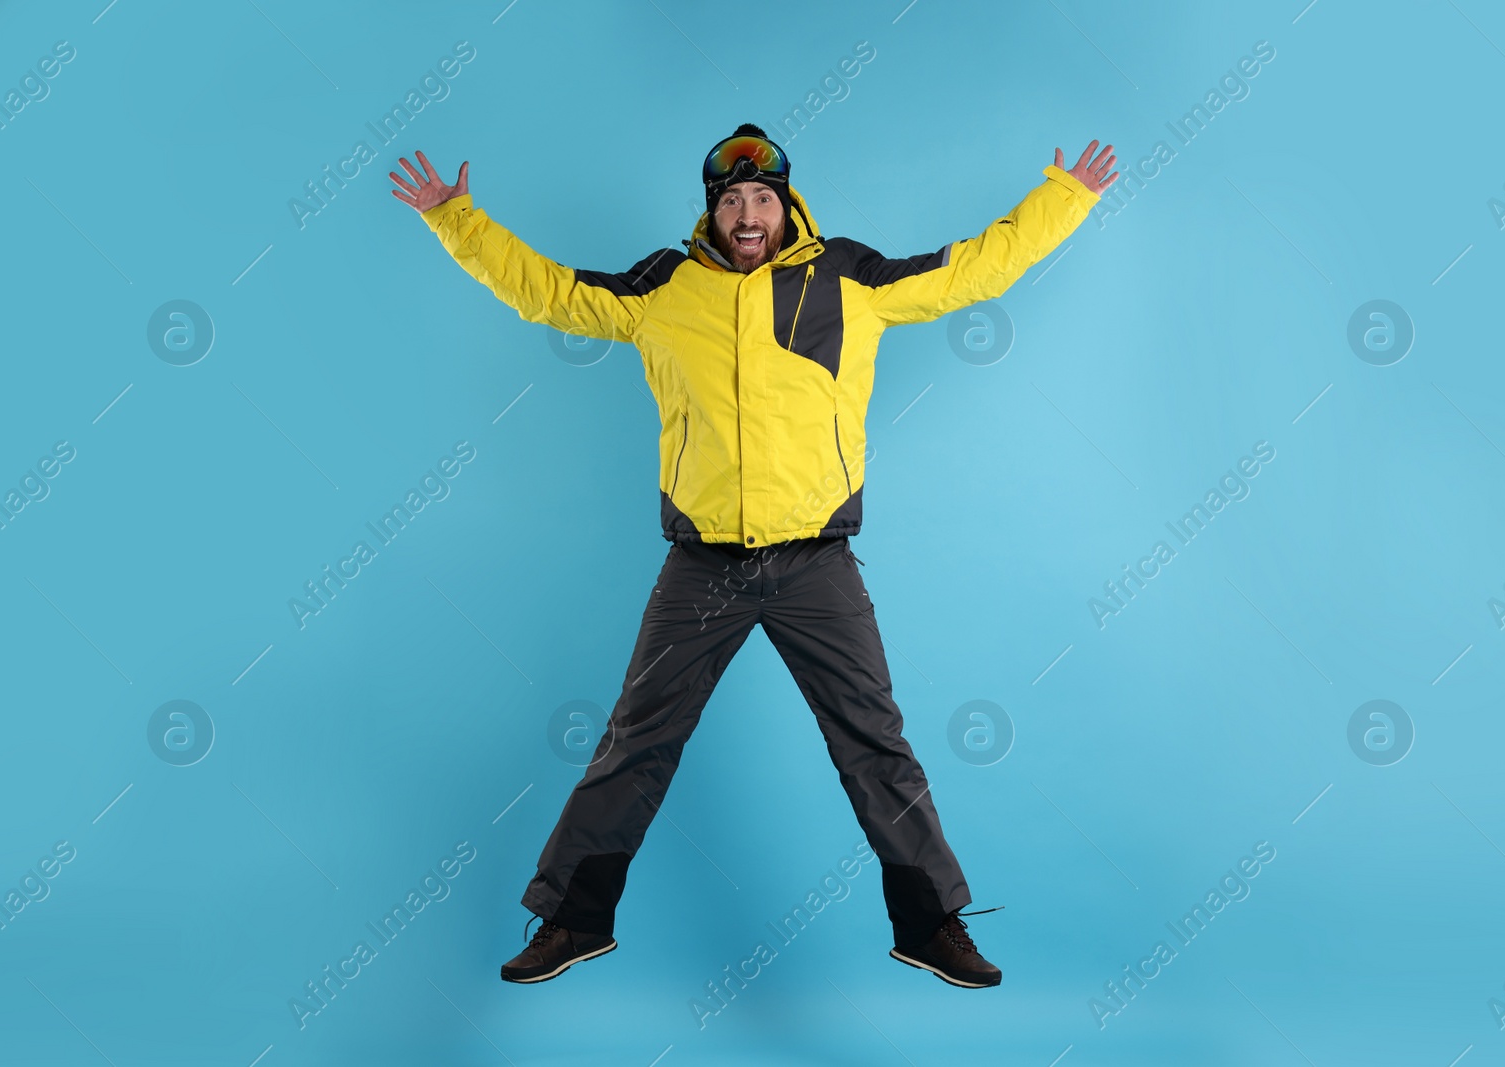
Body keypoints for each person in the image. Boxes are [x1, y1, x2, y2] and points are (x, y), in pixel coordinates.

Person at [391, 124, 1116, 989]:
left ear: (785, 206)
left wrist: (1063, 200)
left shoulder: (850, 277)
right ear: (713, 211)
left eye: (761, 198)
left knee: (875, 743)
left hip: (818, 562)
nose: (746, 212)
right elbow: (549, 293)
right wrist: (456, 220)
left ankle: (931, 925)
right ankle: (574, 921)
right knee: (634, 739)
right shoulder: (665, 286)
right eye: (731, 199)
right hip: (703, 567)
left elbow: (972, 270)